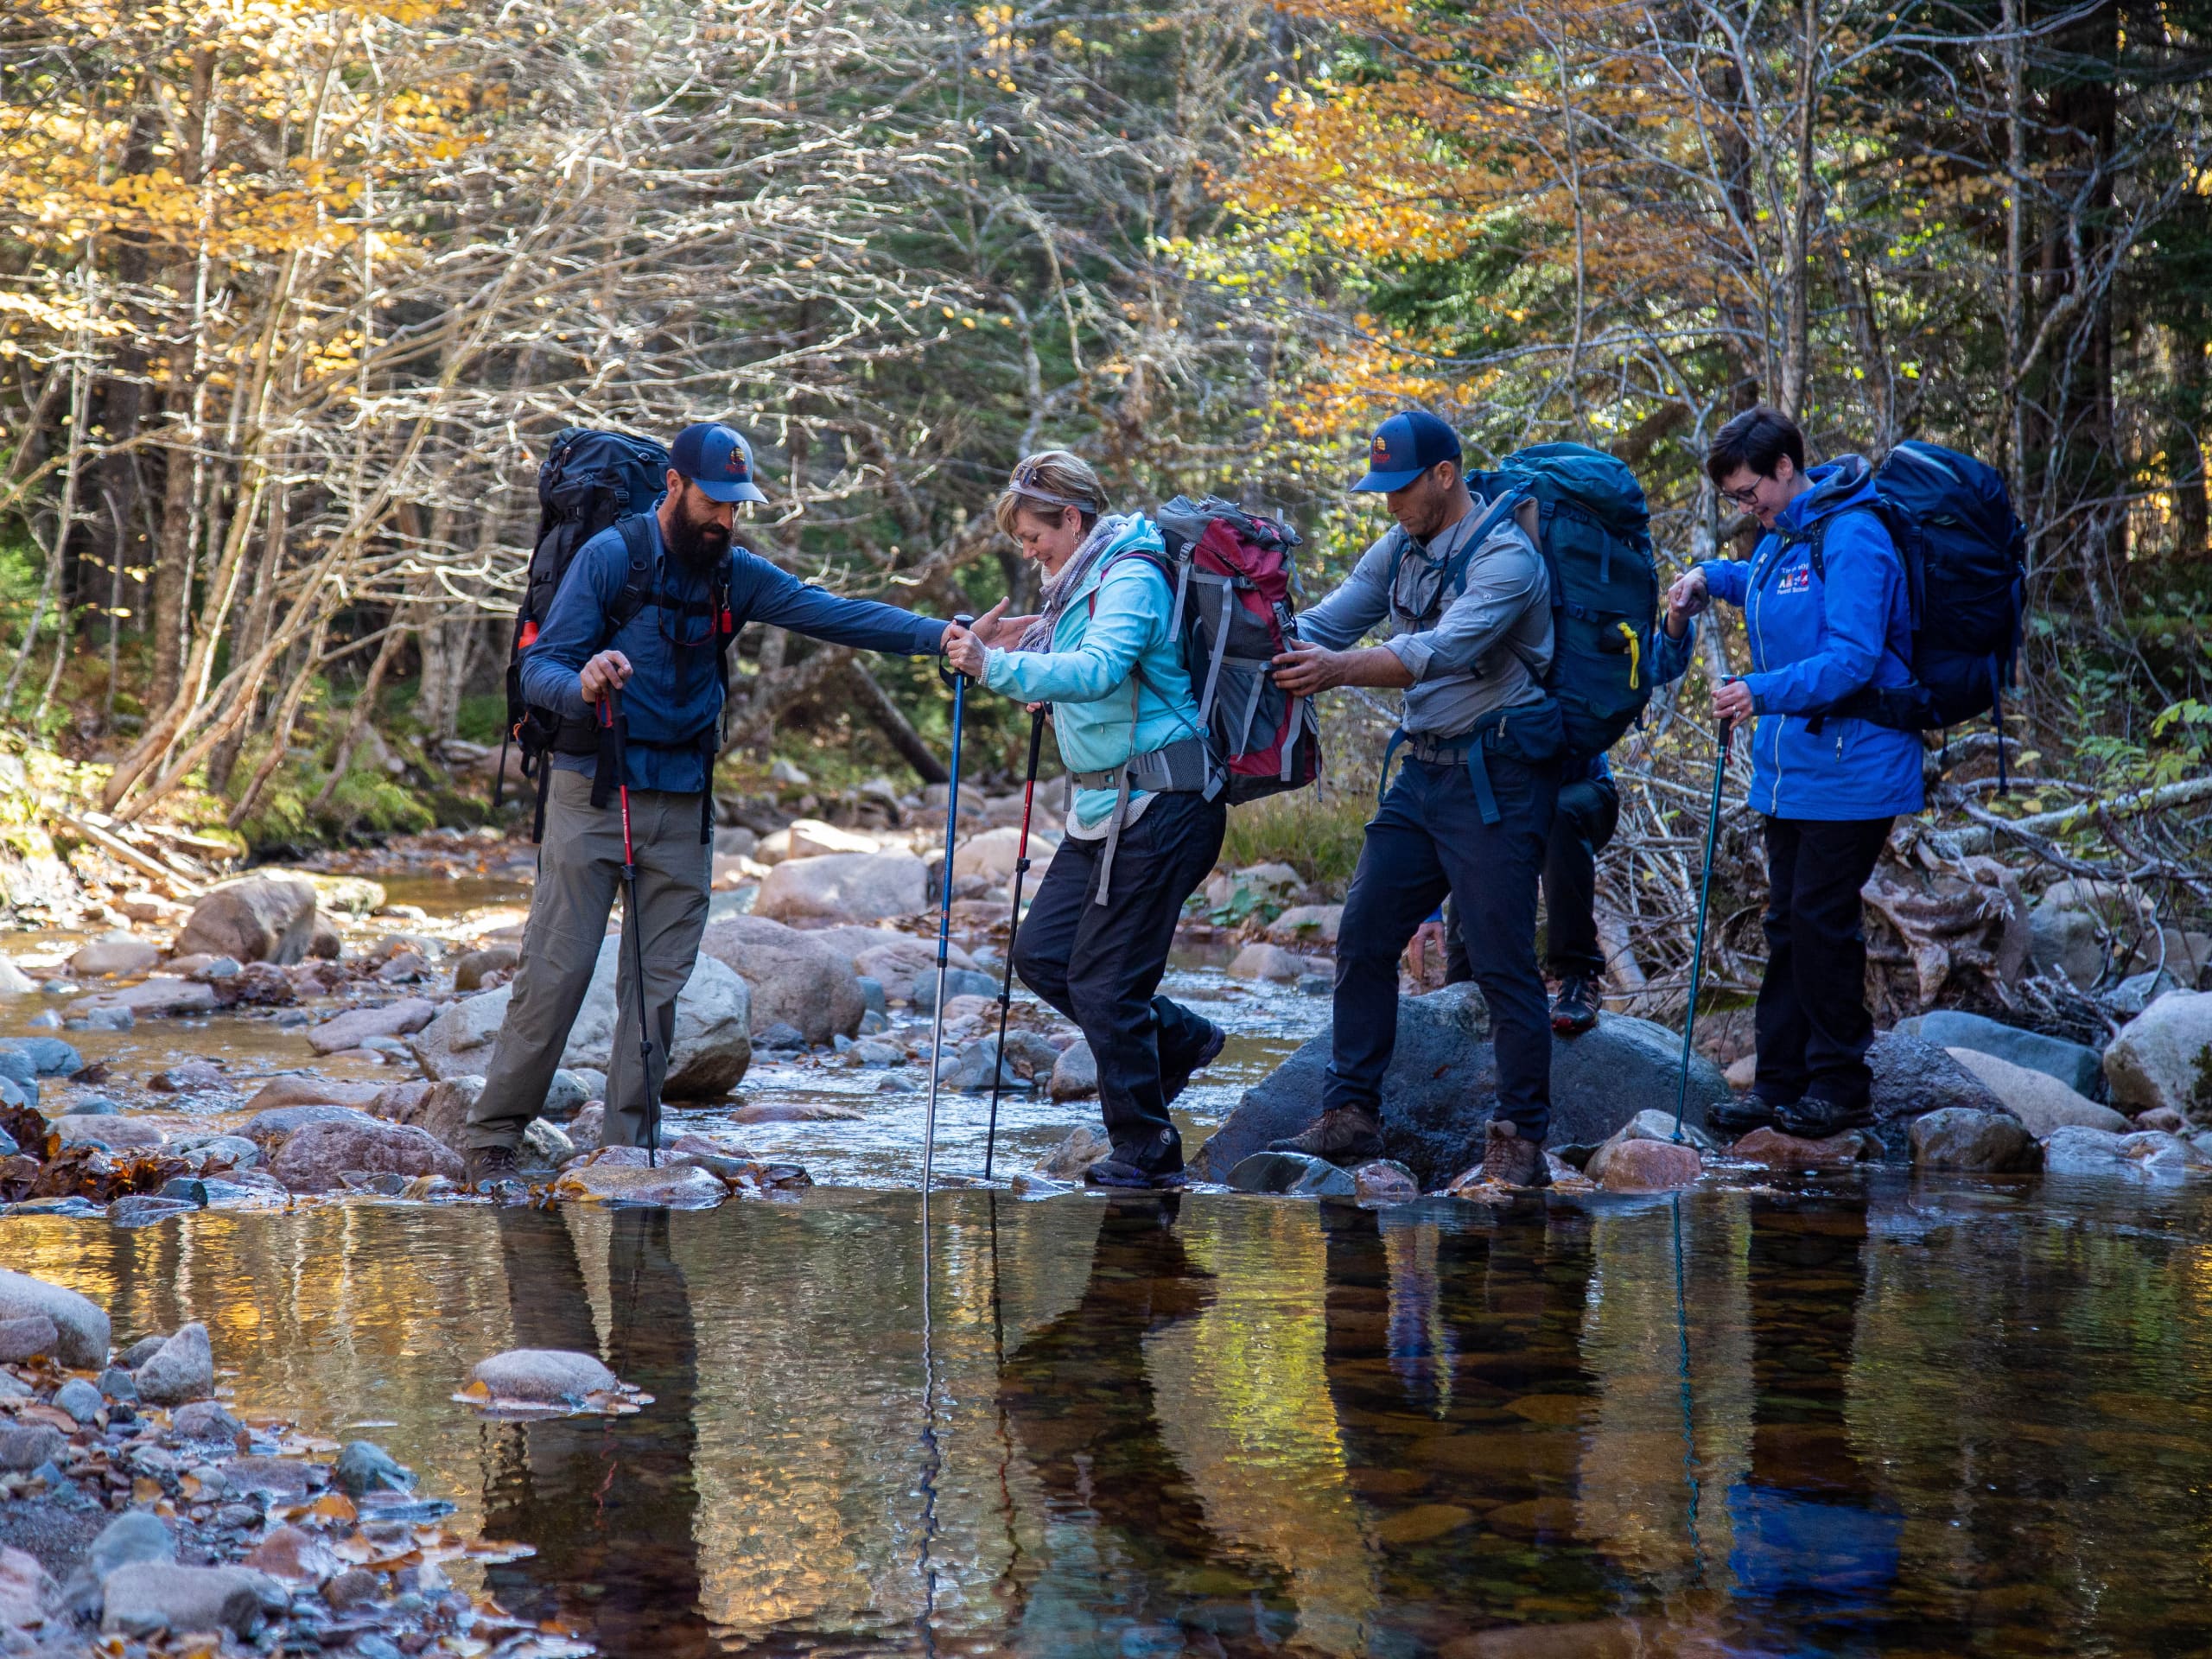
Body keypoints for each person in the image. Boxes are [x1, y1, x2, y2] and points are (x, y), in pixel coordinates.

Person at [461, 421, 952, 1187]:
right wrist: (583, 681)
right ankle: (493, 1135)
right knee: (557, 973)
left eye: (738, 504)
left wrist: (944, 638)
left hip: (685, 803)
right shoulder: (610, 558)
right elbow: (539, 669)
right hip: (594, 793)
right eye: (715, 502)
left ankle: (631, 1148)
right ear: (675, 487)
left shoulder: (735, 572)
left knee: (657, 990)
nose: (727, 518)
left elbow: (834, 611)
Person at [1262, 410, 1562, 1186]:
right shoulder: (1400, 546)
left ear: (1445, 474)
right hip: (1422, 776)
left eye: (1400, 488)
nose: (1388, 503)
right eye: (1381, 488)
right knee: (1362, 937)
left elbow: (1432, 653)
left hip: (1496, 779)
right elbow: (1330, 618)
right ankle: (1350, 1114)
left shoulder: (1506, 558)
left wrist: (1333, 669)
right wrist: (1260, 636)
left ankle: (1521, 1137)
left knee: (1501, 963)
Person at [941, 451, 1226, 1190]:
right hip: (1106, 808)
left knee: (1104, 986)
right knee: (1041, 955)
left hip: (1165, 805)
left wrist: (993, 668)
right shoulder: (1077, 583)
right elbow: (1077, 667)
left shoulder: (1129, 574)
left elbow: (1098, 669)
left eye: (1035, 535)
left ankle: (1147, 1150)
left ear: (1072, 518)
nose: (1028, 551)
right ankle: (1181, 1037)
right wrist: (1019, 647)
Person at [1654, 405, 1922, 1139]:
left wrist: (1759, 692)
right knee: (1786, 924)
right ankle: (1778, 1085)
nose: (1747, 508)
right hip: (1795, 774)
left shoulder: (1856, 533)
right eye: (1735, 500)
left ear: (1784, 467)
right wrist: (1712, 576)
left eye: (1751, 493)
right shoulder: (1782, 539)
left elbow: (1854, 657)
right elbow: (1771, 586)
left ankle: (1841, 1086)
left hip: (1858, 768)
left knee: (1821, 922)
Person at [1426, 749, 1620, 1031]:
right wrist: (1429, 911)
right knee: (1462, 981)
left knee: (1557, 813)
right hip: (1504, 800)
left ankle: (1579, 975)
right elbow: (1440, 801)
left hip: (1580, 789)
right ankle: (1465, 979)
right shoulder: (1459, 716)